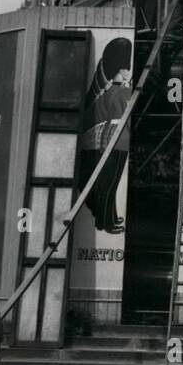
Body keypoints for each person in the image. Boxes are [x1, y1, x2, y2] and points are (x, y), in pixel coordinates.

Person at [77, 39, 134, 234]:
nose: (129, 71)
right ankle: (106, 221)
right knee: (110, 185)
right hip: (118, 144)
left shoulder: (109, 92)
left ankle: (107, 218)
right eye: (127, 67)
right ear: (123, 70)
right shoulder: (123, 93)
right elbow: (119, 123)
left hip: (110, 144)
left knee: (108, 184)